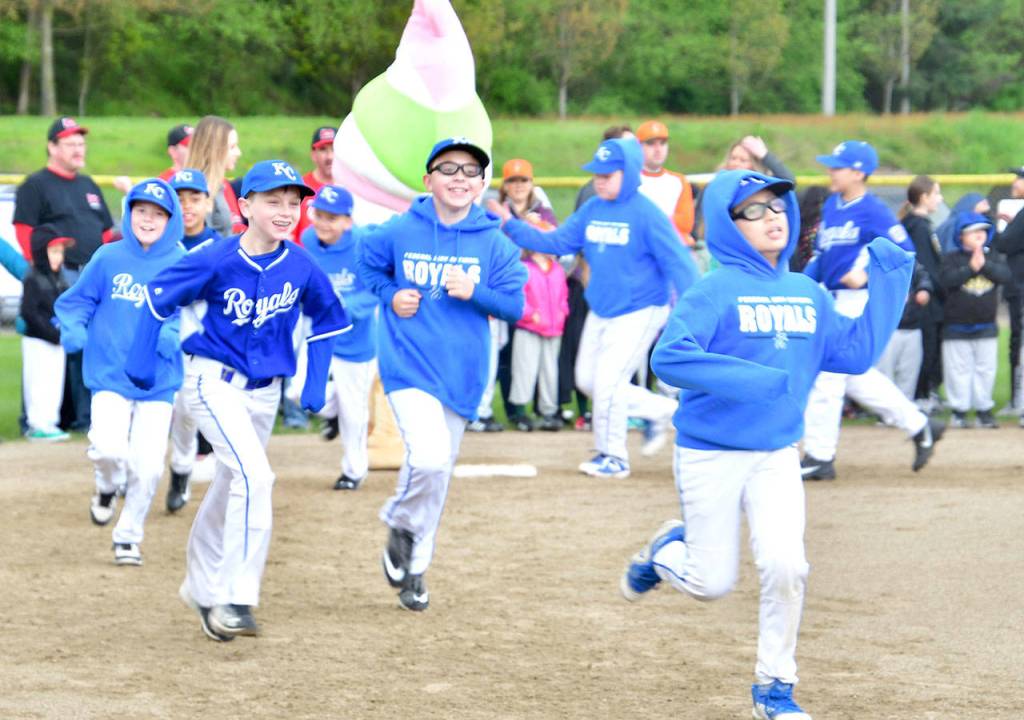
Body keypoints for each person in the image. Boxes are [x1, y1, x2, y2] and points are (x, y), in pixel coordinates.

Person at [619, 169, 914, 720]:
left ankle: (774, 688)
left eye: (776, 206)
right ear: (726, 227)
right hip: (711, 453)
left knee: (787, 566)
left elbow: (850, 354)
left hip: (777, 454)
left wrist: (889, 283)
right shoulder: (714, 290)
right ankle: (665, 552)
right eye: (751, 210)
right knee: (711, 584)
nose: (771, 216)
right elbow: (670, 358)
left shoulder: (805, 290)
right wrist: (751, 380)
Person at [125, 160, 350, 639]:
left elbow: (329, 320)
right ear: (245, 206)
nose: (286, 210)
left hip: (265, 393)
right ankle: (235, 595)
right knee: (257, 477)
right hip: (212, 381)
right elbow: (157, 295)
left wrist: (315, 382)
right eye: (273, 200)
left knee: (232, 487)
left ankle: (202, 590)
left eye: (294, 201)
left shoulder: (301, 264)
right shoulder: (216, 257)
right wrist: (142, 358)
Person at [358, 137, 526, 612]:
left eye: (471, 171)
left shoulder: (494, 243)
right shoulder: (399, 230)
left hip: (463, 372)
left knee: (438, 472)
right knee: (428, 459)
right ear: (428, 179)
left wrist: (476, 291)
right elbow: (366, 263)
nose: (459, 178)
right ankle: (399, 520)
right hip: (407, 364)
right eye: (448, 169)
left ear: (480, 184)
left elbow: (514, 306)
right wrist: (390, 293)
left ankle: (415, 568)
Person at [490, 137, 699, 478]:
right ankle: (662, 410)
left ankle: (613, 456)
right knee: (588, 380)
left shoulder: (647, 215)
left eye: (609, 173)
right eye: (597, 173)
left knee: (609, 382)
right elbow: (555, 242)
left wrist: (691, 313)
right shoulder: (593, 209)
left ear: (629, 172)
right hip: (602, 309)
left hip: (641, 308)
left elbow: (681, 264)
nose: (600, 179)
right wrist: (509, 223)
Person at [55, 179, 186, 565]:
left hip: (158, 379)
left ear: (170, 219)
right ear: (129, 214)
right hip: (110, 373)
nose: (148, 219)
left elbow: (191, 309)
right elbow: (78, 301)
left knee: (147, 469)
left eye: (158, 213)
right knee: (110, 449)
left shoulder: (179, 260)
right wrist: (74, 327)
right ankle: (107, 486)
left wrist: (173, 333)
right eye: (141, 211)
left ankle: (128, 536)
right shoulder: (108, 257)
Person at [800, 141, 944, 481]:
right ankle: (920, 425)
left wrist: (865, 273)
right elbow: (824, 256)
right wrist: (802, 283)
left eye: (837, 166)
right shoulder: (833, 206)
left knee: (829, 373)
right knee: (855, 375)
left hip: (856, 300)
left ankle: (820, 456)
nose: (830, 171)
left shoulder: (873, 210)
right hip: (831, 297)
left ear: (858, 172)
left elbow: (903, 249)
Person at [13, 116, 115, 433]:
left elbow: (107, 232)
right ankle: (45, 419)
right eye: (70, 143)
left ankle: (85, 417)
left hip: (93, 274)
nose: (78, 148)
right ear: (52, 146)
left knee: (94, 345)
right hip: (62, 274)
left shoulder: (89, 186)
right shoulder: (36, 184)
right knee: (58, 344)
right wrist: (46, 274)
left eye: (81, 142)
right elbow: (24, 232)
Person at [301, 184, 379, 490]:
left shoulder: (363, 247)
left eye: (332, 218)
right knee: (297, 390)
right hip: (319, 332)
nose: (323, 223)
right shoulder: (309, 239)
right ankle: (331, 412)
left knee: (355, 414)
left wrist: (346, 308)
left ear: (348, 221)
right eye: (319, 214)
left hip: (355, 340)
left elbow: (376, 290)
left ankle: (354, 471)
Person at [165, 168, 224, 513]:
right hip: (162, 342)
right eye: (180, 198)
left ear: (208, 202)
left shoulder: (220, 246)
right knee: (163, 411)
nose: (187, 206)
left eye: (195, 198)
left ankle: (183, 469)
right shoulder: (158, 242)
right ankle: (155, 471)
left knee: (188, 413)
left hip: (202, 345)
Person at [941, 213, 1011, 428]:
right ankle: (959, 411)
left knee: (985, 369)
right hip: (956, 326)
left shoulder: (994, 257)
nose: (979, 235)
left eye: (982, 231)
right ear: (961, 236)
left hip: (986, 326)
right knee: (957, 371)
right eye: (973, 231)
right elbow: (946, 281)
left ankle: (984, 410)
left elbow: (1005, 276)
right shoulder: (951, 258)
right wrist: (970, 269)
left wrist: (984, 265)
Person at [20, 225, 72, 442]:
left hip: (57, 340)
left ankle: (50, 422)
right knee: (38, 382)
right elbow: (29, 313)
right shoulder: (33, 277)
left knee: (54, 382)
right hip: (39, 341)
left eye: (60, 252)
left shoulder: (59, 278)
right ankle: (37, 423)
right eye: (53, 251)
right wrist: (51, 333)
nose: (58, 257)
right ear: (41, 252)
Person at [508, 248, 569, 431]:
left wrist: (562, 312)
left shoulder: (557, 269)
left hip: (553, 328)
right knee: (524, 369)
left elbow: (563, 296)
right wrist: (529, 314)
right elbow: (517, 295)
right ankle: (520, 412)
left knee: (550, 371)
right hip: (529, 327)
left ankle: (548, 411)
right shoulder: (523, 268)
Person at [900, 176, 945, 411]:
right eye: (936, 193)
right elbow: (927, 267)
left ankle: (923, 393)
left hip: (928, 296)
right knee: (926, 347)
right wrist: (942, 288)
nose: (940, 198)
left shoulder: (920, 224)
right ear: (924, 197)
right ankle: (921, 395)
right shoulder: (918, 227)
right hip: (925, 298)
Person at [874, 262, 932, 401]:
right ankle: (886, 409)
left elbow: (924, 277)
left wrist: (924, 289)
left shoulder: (911, 262)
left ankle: (905, 408)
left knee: (909, 373)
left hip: (912, 326)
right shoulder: (880, 264)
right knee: (885, 372)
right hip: (888, 329)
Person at [636, 120, 695, 246]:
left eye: (662, 143)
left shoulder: (679, 180)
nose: (658, 149)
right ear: (638, 147)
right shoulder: (629, 179)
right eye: (651, 143)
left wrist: (649, 221)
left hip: (672, 246)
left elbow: (685, 223)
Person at [187, 115, 244, 237]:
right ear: (215, 149)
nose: (239, 153)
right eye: (232, 147)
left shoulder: (218, 187)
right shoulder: (199, 191)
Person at [293, 126, 337, 242]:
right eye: (323, 149)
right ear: (313, 154)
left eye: (334, 149)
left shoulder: (353, 187)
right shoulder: (299, 188)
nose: (330, 157)